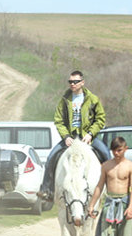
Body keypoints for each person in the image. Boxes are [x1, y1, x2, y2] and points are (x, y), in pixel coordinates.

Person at [38, 70, 109, 201]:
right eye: (70, 82)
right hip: (70, 137)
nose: (72, 84)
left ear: (82, 82)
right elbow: (58, 120)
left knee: (106, 155)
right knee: (51, 158)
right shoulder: (64, 100)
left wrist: (90, 134)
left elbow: (100, 119)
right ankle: (47, 190)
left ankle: (111, 190)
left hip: (87, 137)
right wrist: (65, 137)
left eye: (75, 82)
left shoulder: (93, 99)